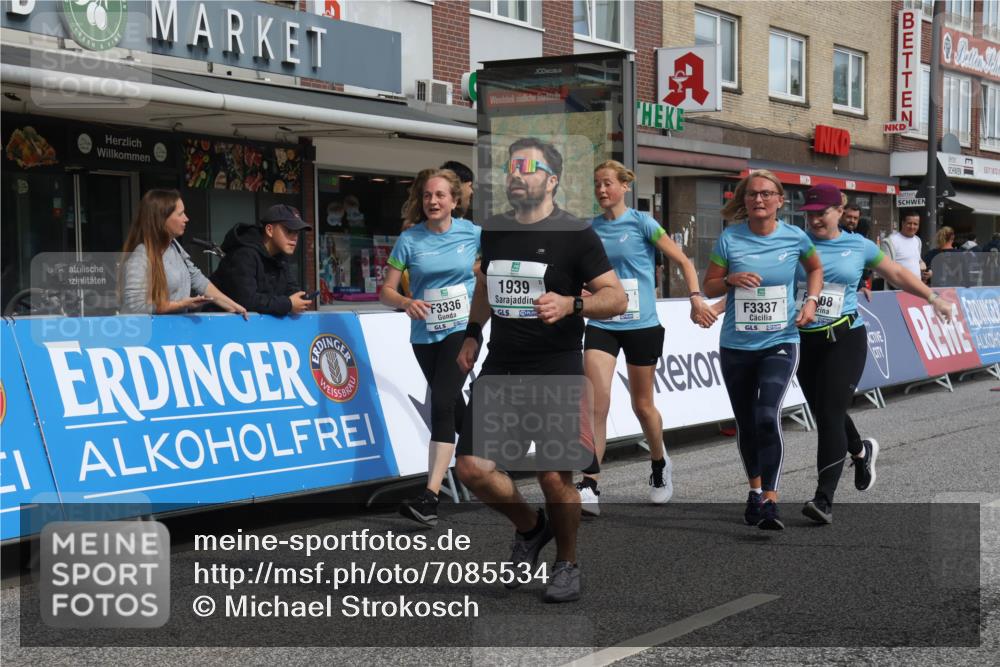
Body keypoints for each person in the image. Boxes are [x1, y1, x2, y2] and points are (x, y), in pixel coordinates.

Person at [455, 137, 626, 602]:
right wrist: (473, 331)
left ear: (551, 180)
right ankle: (531, 528)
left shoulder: (577, 234)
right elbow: (487, 286)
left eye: (528, 168)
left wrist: (573, 303)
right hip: (503, 365)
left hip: (557, 368)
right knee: (471, 468)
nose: (516, 175)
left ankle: (567, 562)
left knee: (554, 476)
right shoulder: (493, 230)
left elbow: (616, 297)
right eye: (512, 168)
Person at [794, 184, 954, 524]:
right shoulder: (796, 243)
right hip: (805, 341)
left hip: (845, 338)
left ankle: (824, 499)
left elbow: (896, 273)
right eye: (810, 214)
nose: (815, 220)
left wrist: (933, 298)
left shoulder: (858, 246)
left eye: (822, 213)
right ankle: (861, 450)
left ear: (840, 210)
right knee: (826, 410)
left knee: (828, 416)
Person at [576, 160, 717, 515]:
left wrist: (696, 297)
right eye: (597, 184)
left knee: (642, 405)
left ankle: (658, 462)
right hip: (603, 322)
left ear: (625, 187)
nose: (602, 190)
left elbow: (683, 262)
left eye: (607, 183)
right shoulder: (589, 230)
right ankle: (590, 483)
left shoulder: (642, 223)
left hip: (641, 324)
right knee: (596, 402)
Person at [702, 170, 824, 531]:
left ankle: (771, 498)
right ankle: (754, 492)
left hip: (780, 341)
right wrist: (729, 279)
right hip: (736, 344)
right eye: (753, 194)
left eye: (767, 194)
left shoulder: (795, 237)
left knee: (767, 413)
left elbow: (815, 268)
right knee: (746, 421)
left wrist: (812, 300)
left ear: (780, 200)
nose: (759, 200)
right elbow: (709, 285)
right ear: (744, 200)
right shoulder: (730, 239)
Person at [381, 168, 481, 527]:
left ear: (455, 200)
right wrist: (406, 302)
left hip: (461, 329)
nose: (433, 201)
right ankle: (484, 458)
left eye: (440, 195)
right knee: (453, 405)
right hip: (424, 335)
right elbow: (386, 291)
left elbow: (496, 271)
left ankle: (430, 497)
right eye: (427, 196)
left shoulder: (474, 234)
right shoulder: (409, 240)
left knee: (441, 401)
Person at [121, 189, 247, 318]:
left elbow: (198, 280)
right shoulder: (141, 255)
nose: (186, 218)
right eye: (180, 214)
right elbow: (135, 306)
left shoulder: (175, 246)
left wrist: (232, 306)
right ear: (162, 219)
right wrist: (181, 304)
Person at [210, 204, 314, 316]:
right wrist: (288, 304)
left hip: (251, 328)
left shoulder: (281, 257)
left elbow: (290, 288)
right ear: (269, 230)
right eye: (289, 231)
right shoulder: (243, 254)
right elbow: (246, 300)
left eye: (296, 232)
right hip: (218, 326)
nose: (294, 238)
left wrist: (301, 299)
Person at [880, 212, 924, 286]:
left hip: (916, 289)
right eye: (909, 223)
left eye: (915, 224)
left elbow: (917, 260)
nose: (912, 227)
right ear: (902, 223)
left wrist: (923, 267)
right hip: (898, 291)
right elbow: (885, 269)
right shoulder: (890, 241)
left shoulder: (918, 240)